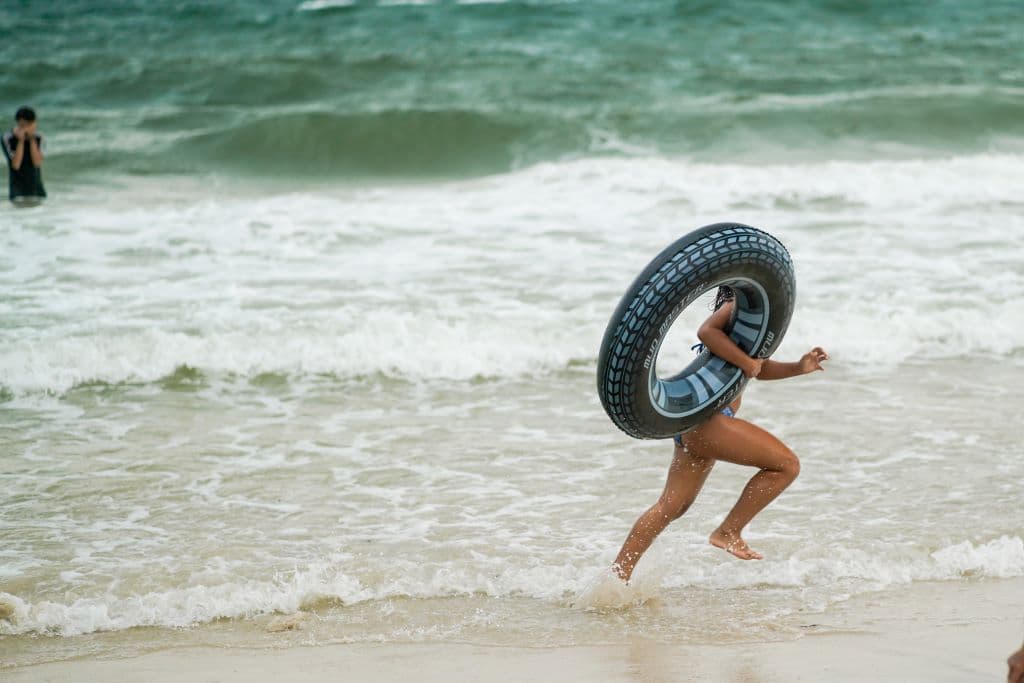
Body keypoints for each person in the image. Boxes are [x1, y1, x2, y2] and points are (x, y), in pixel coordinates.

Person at [613, 286, 829, 581]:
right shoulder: (736, 303)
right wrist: (746, 362)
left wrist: (798, 368)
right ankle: (728, 531)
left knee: (671, 507)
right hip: (710, 420)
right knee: (786, 465)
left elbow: (758, 369)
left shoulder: (748, 325)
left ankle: (616, 577)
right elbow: (707, 333)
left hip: (697, 422)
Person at [2, 106, 47, 203]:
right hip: (17, 193)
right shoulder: (7, 138)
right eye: (23, 125)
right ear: (18, 124)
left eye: (29, 124)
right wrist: (21, 141)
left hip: (37, 191)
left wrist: (31, 139)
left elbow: (37, 163)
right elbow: (16, 164)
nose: (27, 128)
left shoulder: (39, 137)